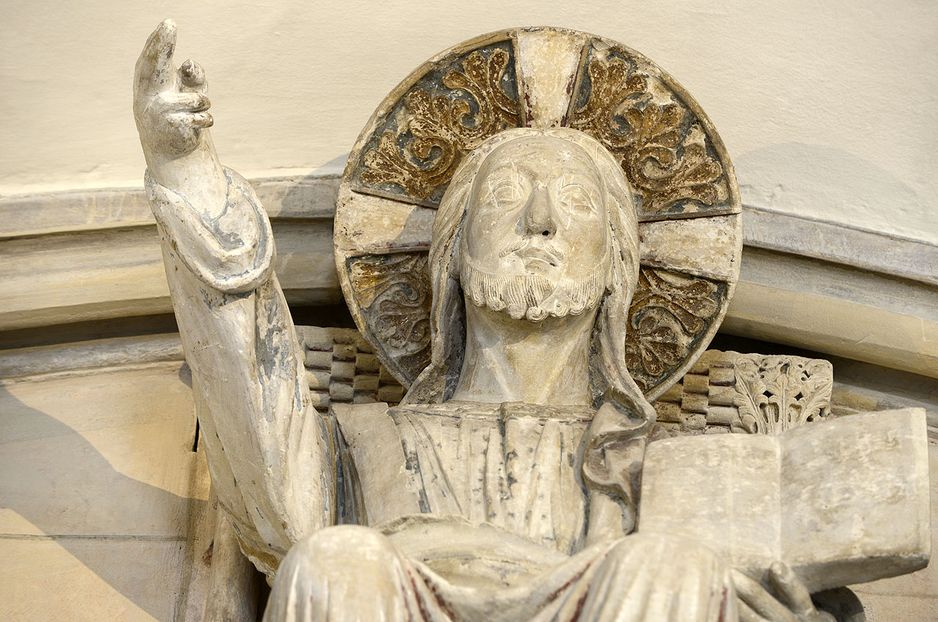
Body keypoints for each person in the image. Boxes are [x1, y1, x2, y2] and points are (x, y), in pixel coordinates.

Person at [134, 20, 833, 622]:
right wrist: (185, 171)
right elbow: (252, 400)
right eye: (505, 194)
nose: (541, 223)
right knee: (335, 557)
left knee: (673, 564)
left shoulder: (667, 472)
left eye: (576, 204)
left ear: (618, 269)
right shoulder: (361, 446)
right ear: (452, 255)